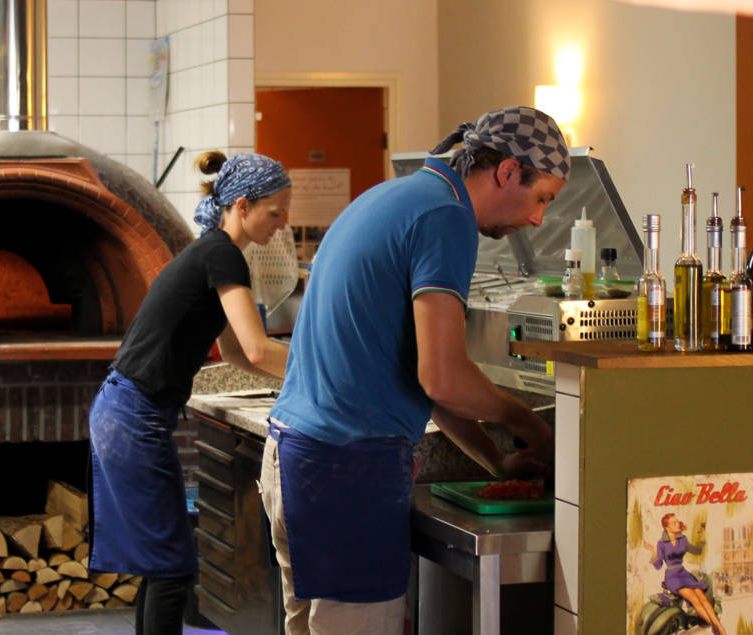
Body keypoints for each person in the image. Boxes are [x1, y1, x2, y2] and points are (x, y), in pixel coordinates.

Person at [261, 106, 567, 634]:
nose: (537, 219)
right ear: (508, 172)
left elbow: (427, 380)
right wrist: (529, 423)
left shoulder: (396, 194)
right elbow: (443, 377)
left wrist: (496, 459)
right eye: (542, 198)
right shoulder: (446, 217)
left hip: (294, 459)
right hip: (347, 471)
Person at [88, 151, 292, 634]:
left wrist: (299, 380)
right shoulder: (222, 254)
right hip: (132, 415)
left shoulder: (214, 252)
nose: (282, 225)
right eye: (276, 212)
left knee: (163, 562)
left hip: (124, 411)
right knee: (172, 564)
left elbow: (239, 354)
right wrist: (327, 370)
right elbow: (260, 350)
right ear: (242, 205)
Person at [644, 512, 726, 635]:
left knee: (702, 597)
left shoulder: (683, 539)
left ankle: (718, 626)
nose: (678, 524)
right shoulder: (661, 544)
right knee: (694, 600)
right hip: (672, 577)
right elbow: (658, 565)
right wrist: (653, 552)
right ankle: (718, 628)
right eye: (674, 523)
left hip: (684, 574)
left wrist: (701, 537)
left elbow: (696, 551)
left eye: (677, 522)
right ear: (667, 527)